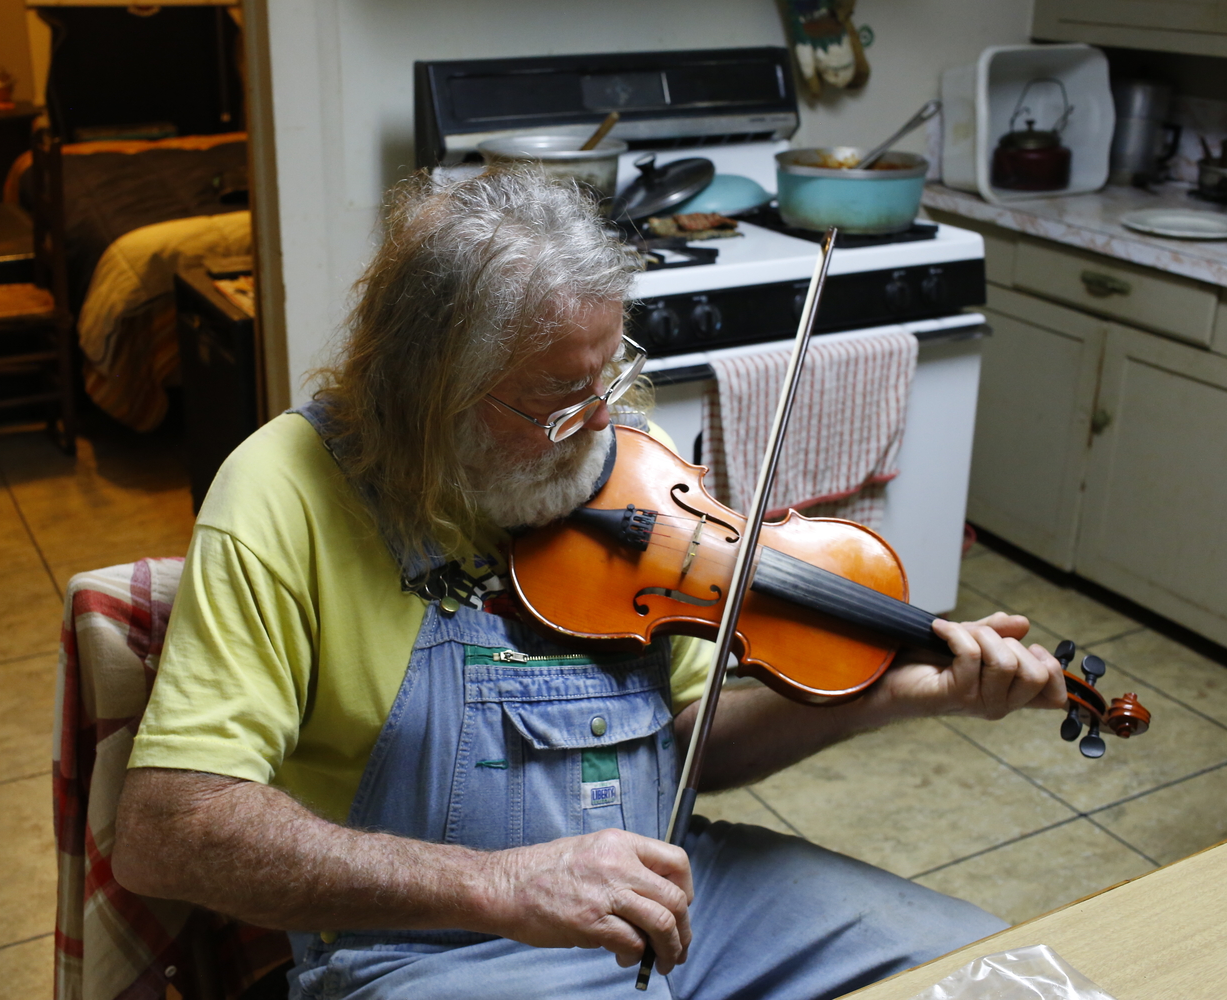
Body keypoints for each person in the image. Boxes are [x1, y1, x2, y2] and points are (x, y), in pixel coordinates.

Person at [113, 168, 1067, 1000]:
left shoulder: (628, 467)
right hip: (432, 951)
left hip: (683, 892)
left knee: (990, 974)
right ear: (427, 391)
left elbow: (696, 740)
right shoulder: (281, 491)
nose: (604, 426)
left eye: (609, 379)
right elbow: (172, 829)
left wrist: (889, 697)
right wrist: (503, 887)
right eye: (558, 402)